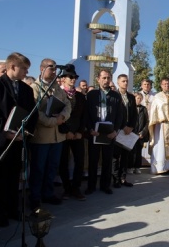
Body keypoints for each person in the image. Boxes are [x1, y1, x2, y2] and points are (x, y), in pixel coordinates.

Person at [0, 52, 38, 227]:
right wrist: (5, 131)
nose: (26, 73)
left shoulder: (27, 89)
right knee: (0, 180)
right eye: (24, 69)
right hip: (0, 141)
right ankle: (1, 214)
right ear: (12, 67)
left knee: (14, 178)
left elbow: (32, 113)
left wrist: (25, 131)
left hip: (19, 140)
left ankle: (14, 210)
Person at [28, 59, 71, 210]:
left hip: (57, 136)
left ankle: (48, 193)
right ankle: (35, 197)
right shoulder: (34, 88)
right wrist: (52, 122)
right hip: (42, 136)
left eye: (55, 69)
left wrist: (62, 117)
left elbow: (67, 105)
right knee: (38, 168)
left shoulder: (57, 89)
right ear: (41, 69)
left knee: (52, 167)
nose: (53, 72)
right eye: (50, 69)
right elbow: (34, 112)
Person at [85, 70, 123, 195]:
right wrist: (90, 129)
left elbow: (119, 116)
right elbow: (87, 114)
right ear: (98, 79)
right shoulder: (91, 95)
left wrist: (115, 131)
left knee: (107, 160)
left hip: (109, 132)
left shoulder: (116, 96)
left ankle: (105, 185)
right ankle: (91, 186)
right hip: (95, 132)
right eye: (104, 78)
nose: (106, 80)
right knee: (93, 160)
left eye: (108, 78)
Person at [58, 67, 87, 201]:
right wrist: (67, 131)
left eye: (75, 77)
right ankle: (67, 188)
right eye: (70, 77)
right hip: (63, 134)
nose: (73, 79)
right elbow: (56, 115)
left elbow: (84, 116)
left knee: (79, 161)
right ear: (63, 79)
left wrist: (80, 132)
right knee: (63, 162)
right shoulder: (58, 94)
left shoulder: (80, 96)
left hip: (77, 134)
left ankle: (76, 187)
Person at [113, 74, 137, 187]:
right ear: (118, 82)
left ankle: (123, 178)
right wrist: (122, 127)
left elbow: (134, 115)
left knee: (125, 156)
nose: (125, 83)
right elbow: (114, 115)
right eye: (123, 81)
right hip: (118, 130)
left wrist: (131, 127)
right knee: (115, 156)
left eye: (127, 81)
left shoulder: (131, 97)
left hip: (128, 131)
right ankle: (115, 179)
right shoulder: (114, 96)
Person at [129, 92, 149, 174]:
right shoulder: (130, 108)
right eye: (137, 98)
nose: (139, 100)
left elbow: (147, 122)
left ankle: (137, 167)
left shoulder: (144, 109)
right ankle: (130, 167)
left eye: (141, 98)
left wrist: (143, 132)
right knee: (131, 151)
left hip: (140, 134)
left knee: (138, 152)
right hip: (132, 133)